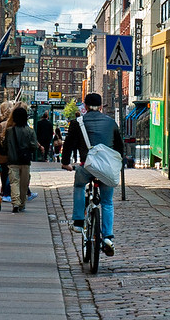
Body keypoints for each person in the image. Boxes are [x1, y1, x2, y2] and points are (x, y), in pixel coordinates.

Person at [61, 93, 124, 257]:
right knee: (107, 202)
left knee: (79, 185)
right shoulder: (111, 123)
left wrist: (65, 163)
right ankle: (108, 237)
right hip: (106, 170)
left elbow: (68, 145)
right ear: (101, 107)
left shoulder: (77, 123)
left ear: (85, 107)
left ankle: (78, 221)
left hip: (87, 167)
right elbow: (120, 147)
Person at [5, 106, 39, 213]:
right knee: (24, 184)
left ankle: (15, 202)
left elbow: (5, 145)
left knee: (14, 182)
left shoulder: (9, 131)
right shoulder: (30, 131)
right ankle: (22, 204)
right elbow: (34, 146)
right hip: (25, 161)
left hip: (12, 161)